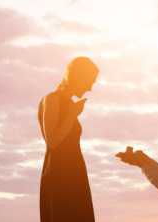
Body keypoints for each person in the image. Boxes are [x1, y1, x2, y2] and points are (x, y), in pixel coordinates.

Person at [39, 57, 99, 222]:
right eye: (89, 82)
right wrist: (72, 114)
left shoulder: (70, 103)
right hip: (60, 174)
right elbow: (52, 142)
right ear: (77, 77)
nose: (90, 88)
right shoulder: (51, 99)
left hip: (75, 172)